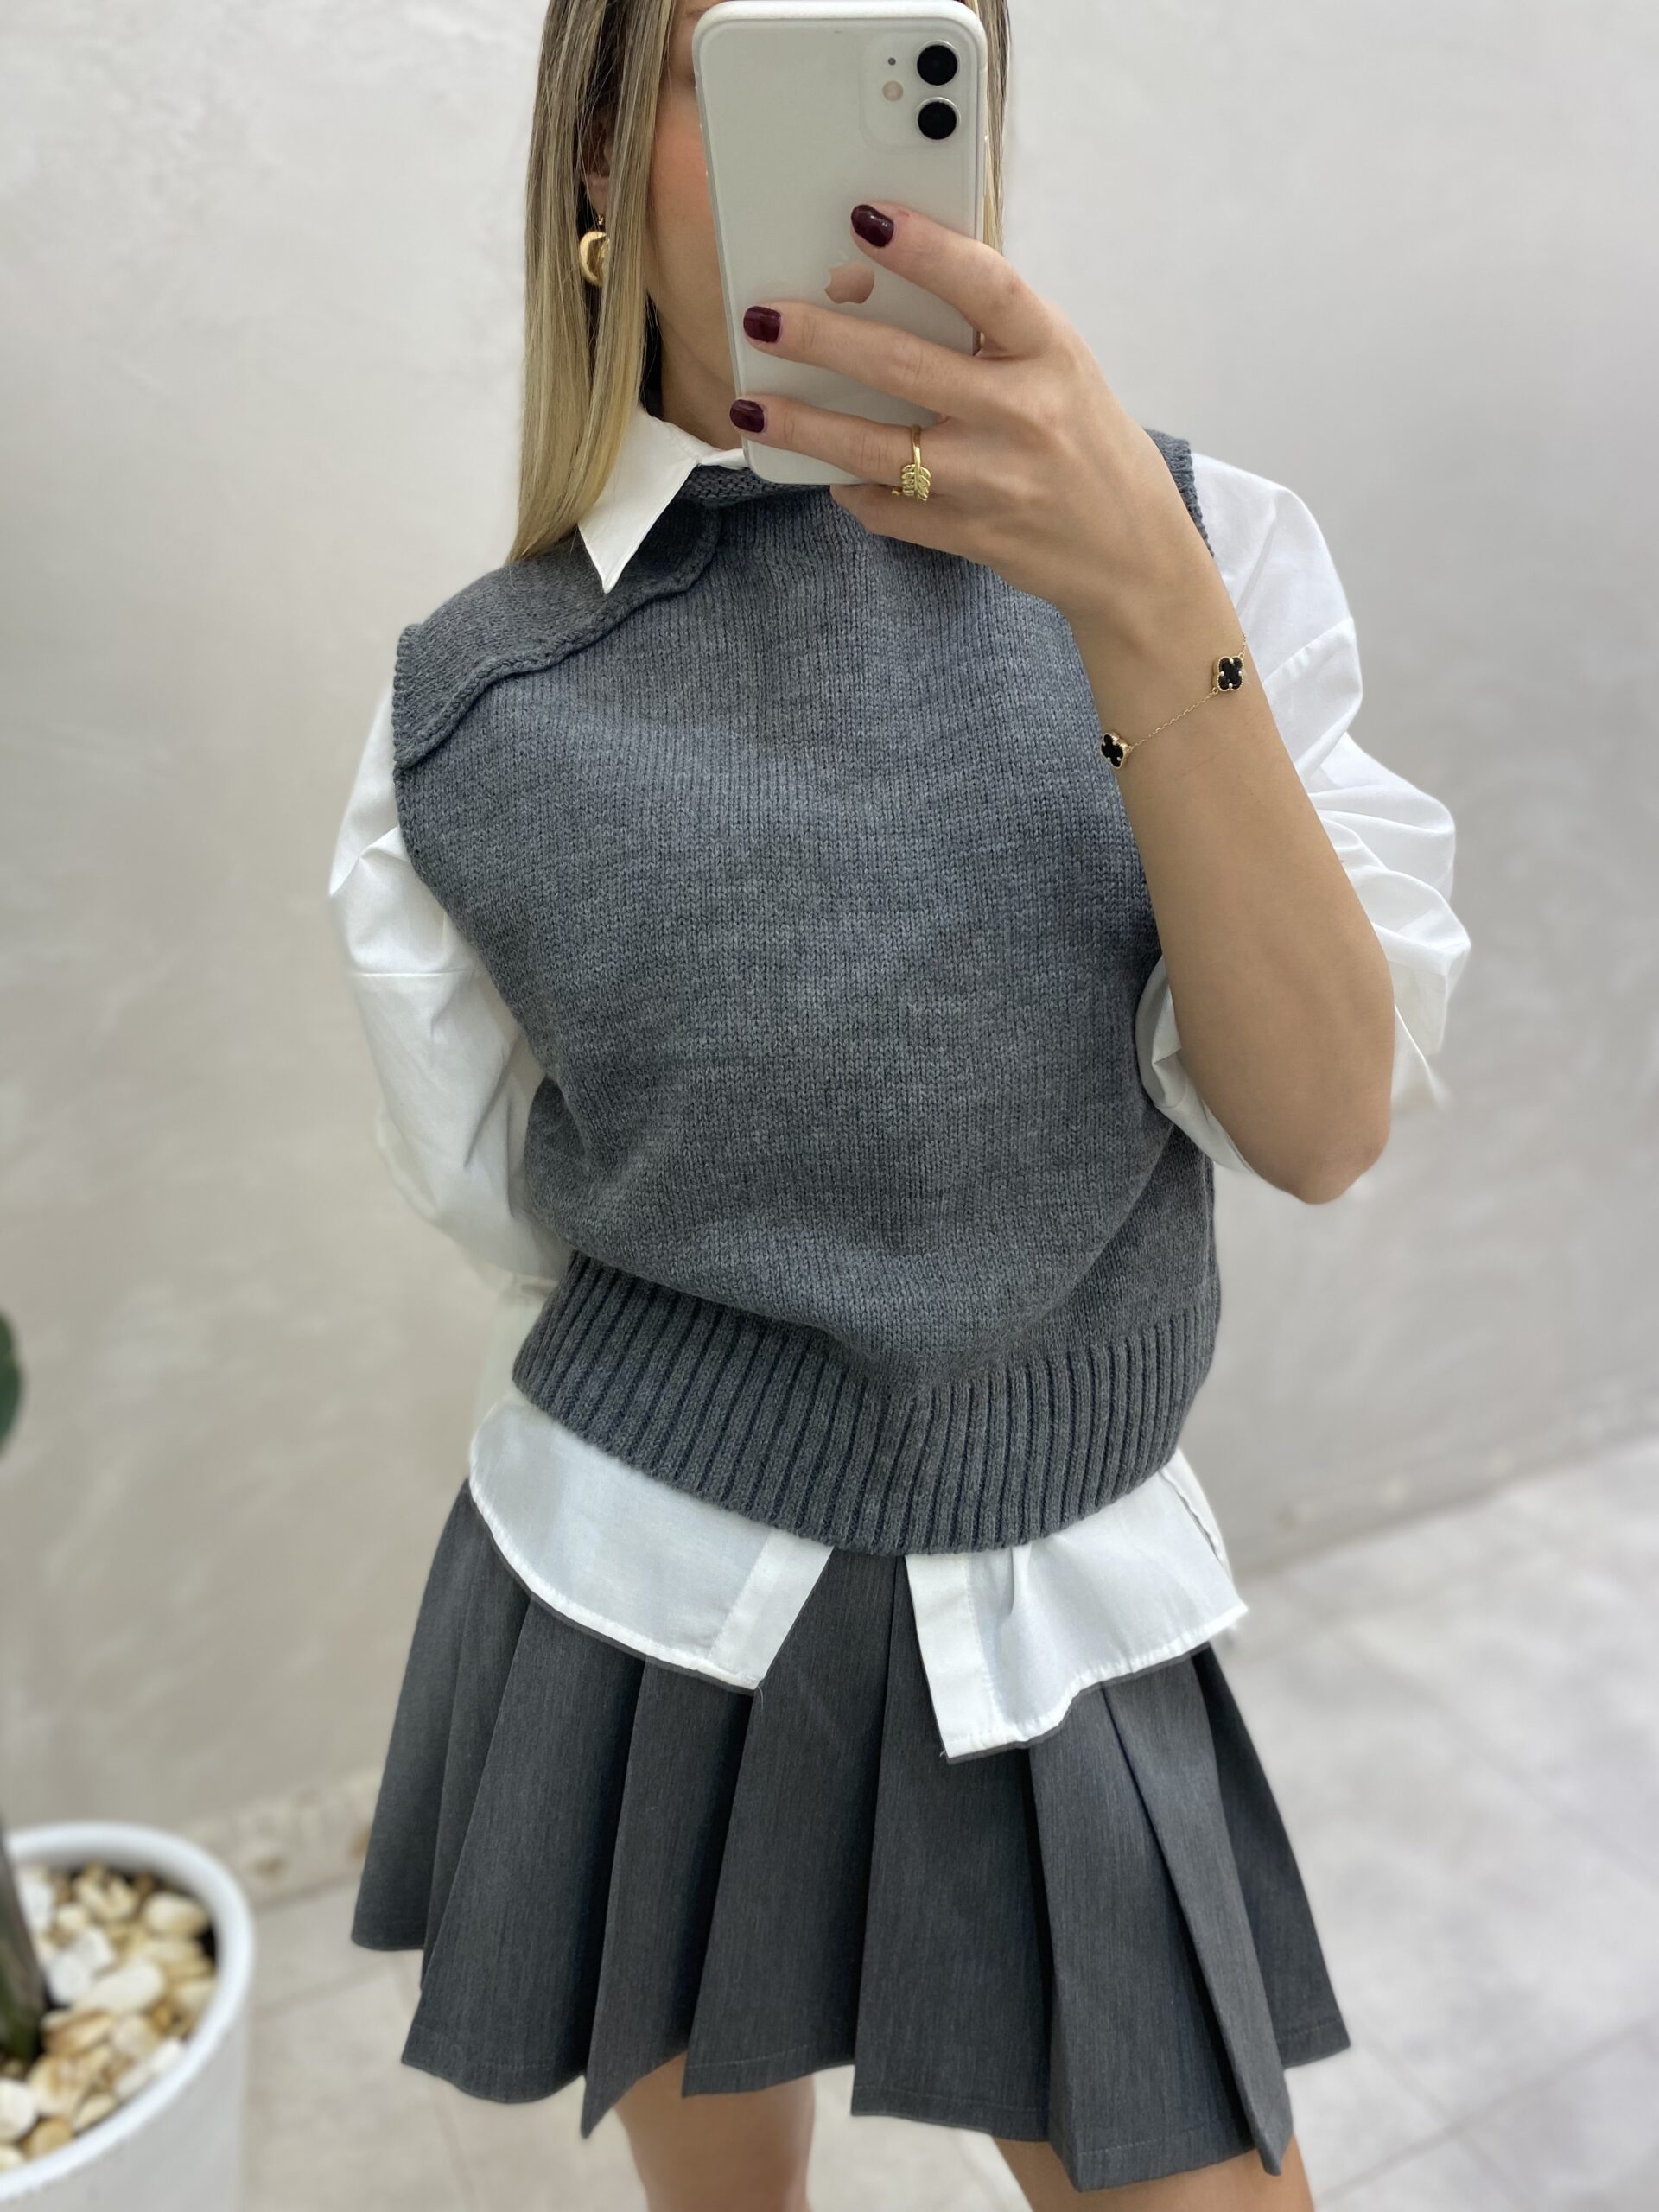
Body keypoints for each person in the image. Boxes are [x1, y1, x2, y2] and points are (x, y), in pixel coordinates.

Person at [328, 3, 1470, 2205]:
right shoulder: (471, 703)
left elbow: (1325, 1120)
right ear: (594, 156)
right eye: (760, 59)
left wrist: (1144, 597)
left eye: (903, 42)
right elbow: (514, 1209)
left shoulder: (1199, 551)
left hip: (1053, 1596)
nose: (841, 151)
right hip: (635, 1583)